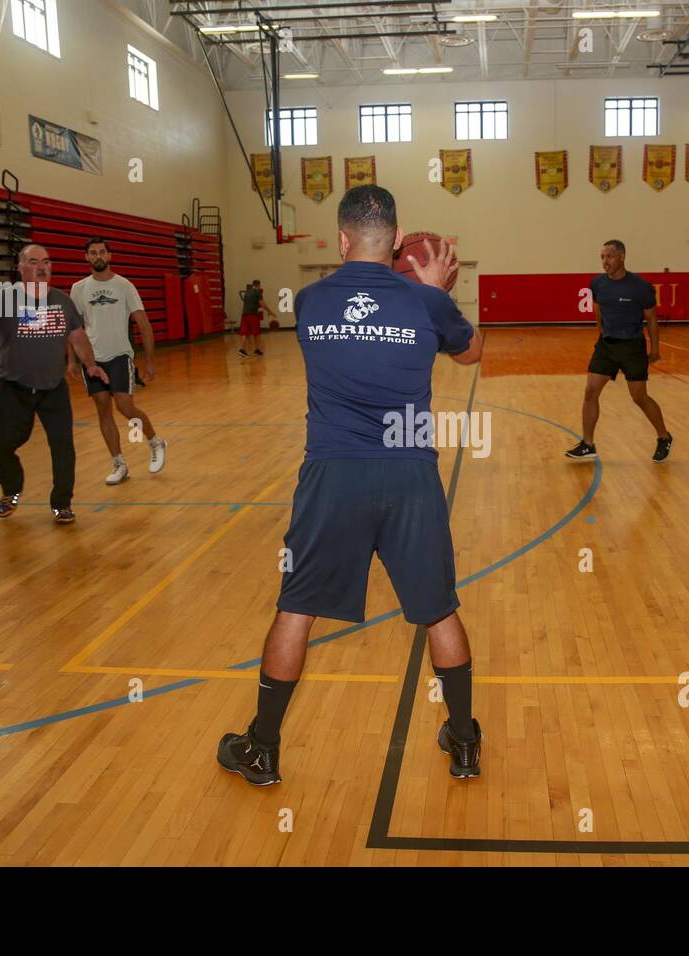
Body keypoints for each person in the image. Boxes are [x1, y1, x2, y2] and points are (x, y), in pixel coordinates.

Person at [216, 185, 484, 786]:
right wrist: (436, 296)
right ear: (395, 240)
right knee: (439, 611)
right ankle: (464, 742)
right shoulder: (426, 305)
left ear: (342, 239)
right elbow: (472, 354)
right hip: (411, 475)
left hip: (333, 475)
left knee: (296, 609)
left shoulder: (310, 302)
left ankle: (262, 748)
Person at [0, 244, 107, 524]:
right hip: (13, 389)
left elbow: (78, 338)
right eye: (34, 262)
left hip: (53, 389)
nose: (42, 267)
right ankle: (11, 490)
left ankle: (62, 504)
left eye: (47, 262)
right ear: (21, 268)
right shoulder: (3, 299)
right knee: (3, 447)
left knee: (63, 446)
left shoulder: (63, 302)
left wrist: (90, 364)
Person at [68, 238, 166, 485]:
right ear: (87, 258)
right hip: (92, 359)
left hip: (120, 355)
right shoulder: (78, 288)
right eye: (93, 253)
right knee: (102, 407)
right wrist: (72, 361)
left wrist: (149, 360)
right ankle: (119, 463)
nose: (98, 256)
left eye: (102, 252)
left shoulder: (124, 286)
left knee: (124, 406)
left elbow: (143, 324)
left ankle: (155, 441)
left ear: (109, 256)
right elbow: (73, 328)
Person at [564, 240, 672, 463]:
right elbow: (599, 310)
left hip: (632, 347)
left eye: (609, 257)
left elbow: (652, 320)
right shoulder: (597, 283)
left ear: (622, 256)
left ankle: (664, 437)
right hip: (606, 346)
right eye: (602, 257)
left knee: (639, 397)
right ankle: (587, 444)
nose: (605, 261)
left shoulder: (640, 286)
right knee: (590, 391)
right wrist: (601, 332)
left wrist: (655, 350)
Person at [238, 279, 276, 357]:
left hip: (244, 315)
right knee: (257, 333)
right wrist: (270, 312)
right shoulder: (257, 292)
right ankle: (257, 350)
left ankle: (242, 349)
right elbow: (262, 304)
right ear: (258, 285)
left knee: (245, 333)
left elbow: (249, 304)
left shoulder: (247, 292)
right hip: (253, 315)